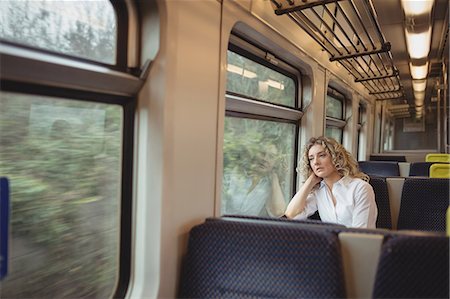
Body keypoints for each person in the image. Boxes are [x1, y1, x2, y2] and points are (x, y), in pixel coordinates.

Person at [284, 136, 378, 228]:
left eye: (322, 155)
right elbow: (291, 215)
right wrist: (310, 181)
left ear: (336, 158)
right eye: (311, 158)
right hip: (331, 242)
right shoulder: (318, 191)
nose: (316, 162)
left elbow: (362, 234)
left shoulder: (360, 188)